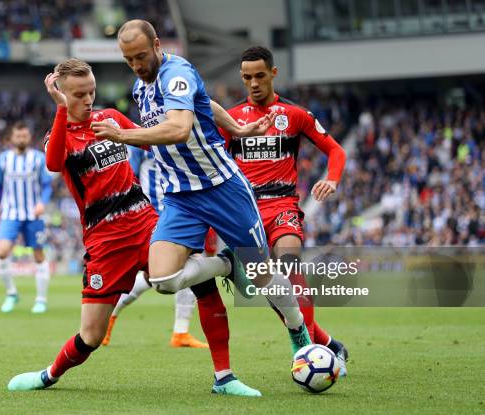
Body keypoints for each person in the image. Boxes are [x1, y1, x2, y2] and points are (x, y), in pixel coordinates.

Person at [7, 58, 262, 397]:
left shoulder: (110, 118)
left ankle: (225, 377)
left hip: (145, 222)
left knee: (202, 285)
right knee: (91, 336)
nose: (88, 100)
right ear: (63, 95)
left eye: (91, 92)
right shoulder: (59, 135)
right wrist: (60, 109)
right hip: (105, 241)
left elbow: (149, 140)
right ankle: (49, 376)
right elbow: (53, 164)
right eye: (79, 95)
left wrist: (195, 126)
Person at [91, 19, 312, 366]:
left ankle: (299, 332)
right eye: (128, 58)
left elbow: (179, 129)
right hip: (181, 196)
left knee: (261, 273)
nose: (136, 64)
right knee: (162, 278)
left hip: (221, 187)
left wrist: (121, 136)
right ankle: (226, 265)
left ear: (158, 45)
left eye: (141, 55)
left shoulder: (176, 73)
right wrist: (237, 127)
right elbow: (205, 101)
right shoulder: (140, 87)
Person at [219, 46, 349, 375]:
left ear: (273, 74)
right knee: (272, 288)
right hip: (245, 211)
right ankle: (326, 344)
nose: (254, 83)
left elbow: (335, 151)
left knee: (289, 263)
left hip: (282, 205)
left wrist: (331, 180)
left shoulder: (295, 114)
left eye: (260, 76)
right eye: (247, 77)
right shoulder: (231, 119)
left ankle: (309, 352)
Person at [102, 146, 211, 349]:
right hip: (155, 216)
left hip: (184, 212)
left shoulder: (181, 136)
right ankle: (179, 332)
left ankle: (180, 332)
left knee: (184, 269)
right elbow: (129, 176)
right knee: (164, 273)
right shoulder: (141, 143)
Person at [0, 122, 52, 314]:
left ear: (29, 137)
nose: (21, 139)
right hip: (10, 213)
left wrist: (43, 202)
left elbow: (47, 185)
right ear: (11, 138)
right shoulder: (3, 159)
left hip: (33, 214)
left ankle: (41, 300)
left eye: (24, 136)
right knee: (2, 252)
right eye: (18, 136)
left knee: (38, 255)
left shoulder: (38, 159)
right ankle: (11, 294)